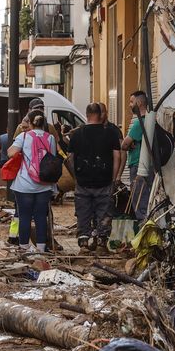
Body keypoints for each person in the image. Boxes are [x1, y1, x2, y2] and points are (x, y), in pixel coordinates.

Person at [69, 103, 122, 252]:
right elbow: (117, 156)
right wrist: (114, 177)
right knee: (104, 212)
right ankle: (101, 243)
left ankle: (84, 243)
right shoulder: (110, 133)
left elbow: (70, 158)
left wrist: (76, 176)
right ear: (101, 115)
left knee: (83, 212)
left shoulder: (77, 134)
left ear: (87, 115)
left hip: (83, 181)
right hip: (104, 180)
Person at [8, 113, 57, 252]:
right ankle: (41, 248)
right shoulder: (51, 138)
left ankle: (24, 247)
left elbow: (11, 153)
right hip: (44, 184)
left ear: (30, 123)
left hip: (24, 183)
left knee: (24, 216)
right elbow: (51, 157)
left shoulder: (23, 136)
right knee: (41, 216)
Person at [121, 91, 154, 221]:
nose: (130, 105)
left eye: (131, 102)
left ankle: (143, 228)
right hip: (147, 165)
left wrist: (130, 144)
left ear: (139, 102)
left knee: (139, 199)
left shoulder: (139, 123)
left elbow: (124, 145)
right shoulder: (150, 121)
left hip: (138, 165)